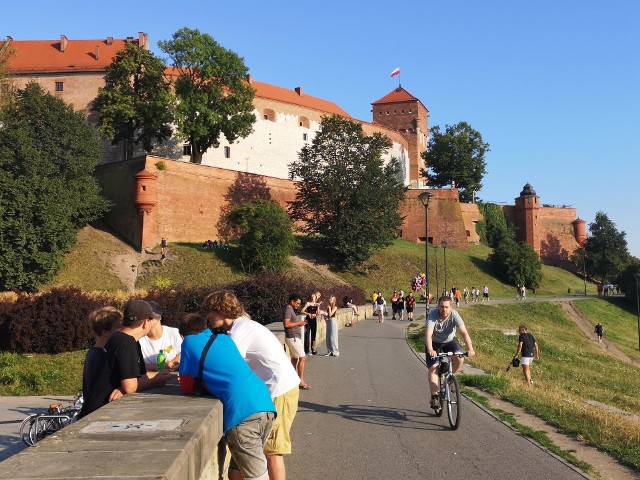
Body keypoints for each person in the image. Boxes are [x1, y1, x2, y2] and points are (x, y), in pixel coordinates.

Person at [202, 291, 301, 480]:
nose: (208, 317)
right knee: (267, 450)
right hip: (275, 389)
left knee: (272, 450)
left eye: (210, 312)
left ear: (221, 310)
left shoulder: (241, 330)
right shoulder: (242, 327)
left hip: (279, 390)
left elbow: (229, 364)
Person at [179, 314, 276, 480]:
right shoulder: (224, 339)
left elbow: (186, 386)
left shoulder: (188, 342)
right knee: (236, 472)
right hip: (264, 405)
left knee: (257, 476)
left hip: (243, 414)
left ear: (183, 334)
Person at [79, 299, 172, 419]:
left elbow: (134, 377)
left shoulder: (126, 341)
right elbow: (130, 386)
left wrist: (157, 375)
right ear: (145, 323)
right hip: (99, 413)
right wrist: (156, 379)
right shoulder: (125, 342)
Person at [424, 296, 476, 410]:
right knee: (434, 367)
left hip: (450, 341)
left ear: (450, 307)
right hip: (434, 343)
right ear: (438, 306)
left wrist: (470, 349)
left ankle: (450, 376)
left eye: (447, 307)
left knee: (459, 358)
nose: (444, 310)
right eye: (442, 307)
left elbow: (464, 333)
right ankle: (435, 397)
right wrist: (430, 349)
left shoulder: (454, 315)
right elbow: (428, 335)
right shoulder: (433, 315)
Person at [81, 307, 124, 408]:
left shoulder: (95, 352)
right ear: (105, 332)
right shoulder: (101, 357)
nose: (123, 330)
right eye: (118, 327)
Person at [139, 301, 182, 372]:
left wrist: (173, 363)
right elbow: (136, 364)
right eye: (143, 317)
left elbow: (184, 352)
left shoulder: (174, 333)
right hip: (148, 380)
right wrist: (163, 365)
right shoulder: (138, 337)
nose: (146, 320)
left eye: (150, 317)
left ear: (160, 318)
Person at [283, 294, 310, 390]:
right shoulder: (289, 309)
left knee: (295, 359)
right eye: (297, 303)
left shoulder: (290, 309)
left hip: (293, 336)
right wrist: (299, 323)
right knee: (303, 357)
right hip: (292, 337)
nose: (298, 305)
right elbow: (286, 324)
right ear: (292, 301)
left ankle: (293, 380)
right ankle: (300, 381)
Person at [301, 291, 322, 356]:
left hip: (314, 320)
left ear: (316, 297)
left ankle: (313, 350)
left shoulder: (317, 304)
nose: (312, 297)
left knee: (313, 335)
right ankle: (306, 350)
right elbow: (302, 311)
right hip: (308, 320)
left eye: (314, 296)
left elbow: (318, 313)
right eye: (312, 296)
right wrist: (308, 313)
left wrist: (318, 307)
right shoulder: (308, 303)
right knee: (307, 334)